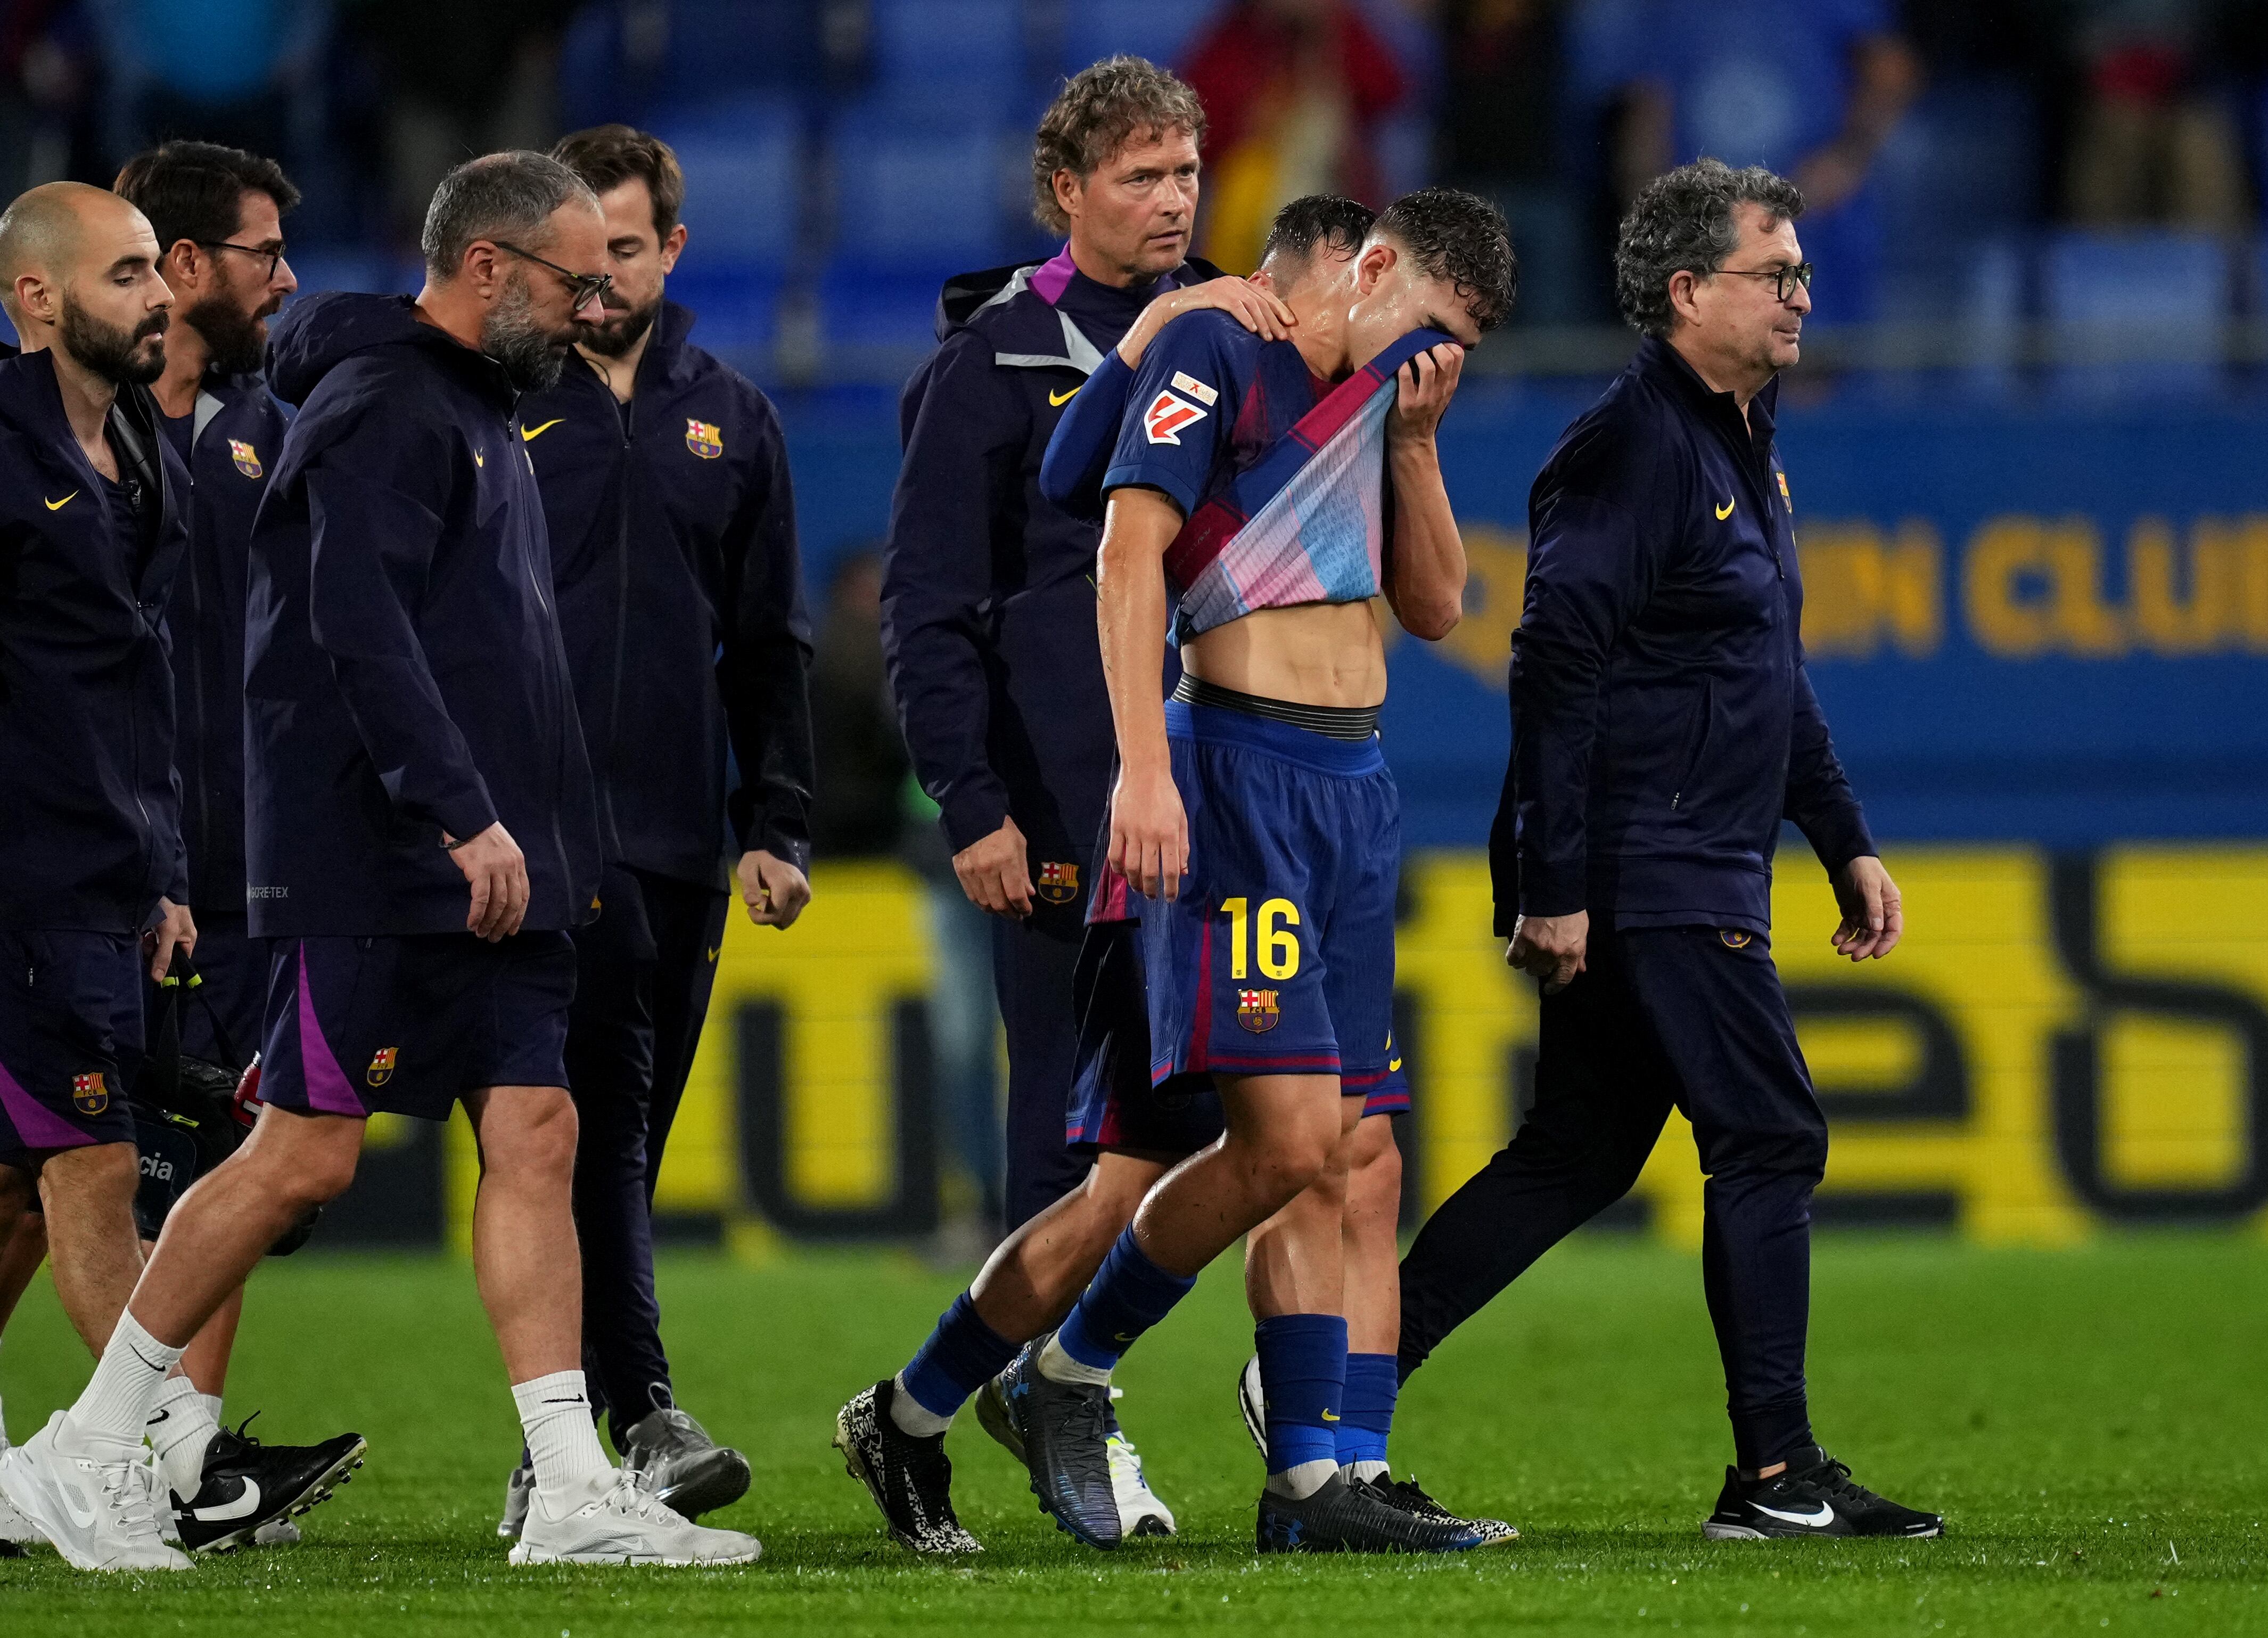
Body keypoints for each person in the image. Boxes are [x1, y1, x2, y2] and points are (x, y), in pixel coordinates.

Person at [0, 151, 760, 1573]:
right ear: (489, 271)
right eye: (573, 279)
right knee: (298, 1157)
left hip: (501, 869)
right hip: (378, 861)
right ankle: (94, 1444)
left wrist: (539, 834)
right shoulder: (380, 407)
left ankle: (570, 1479)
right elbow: (353, 630)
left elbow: (489, 652)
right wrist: (457, 810)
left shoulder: (477, 409)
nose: (597, 306)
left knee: (539, 1133)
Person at [1394, 157, 1943, 1542]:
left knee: (1578, 1151)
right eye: (1777, 272)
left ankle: (1330, 1386)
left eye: (1803, 272)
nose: (1801, 295)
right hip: (1649, 862)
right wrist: (1559, 885)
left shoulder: (1737, 442)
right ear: (1687, 290)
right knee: (1767, 1133)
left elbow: (1769, 666)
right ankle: (1771, 1476)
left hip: (1678, 855)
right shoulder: (1630, 443)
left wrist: (1843, 839)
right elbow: (1551, 660)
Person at [969, 186, 1511, 1556]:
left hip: (1353, 784)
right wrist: (1140, 769)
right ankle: (1050, 1374)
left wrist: (1424, 440)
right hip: (1240, 774)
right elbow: (1100, 525)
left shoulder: (1382, 403)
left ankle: (1331, 1476)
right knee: (1280, 1145)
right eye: (1430, 332)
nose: (1430, 361)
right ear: (1375, 265)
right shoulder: (1230, 352)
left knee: (1362, 1152)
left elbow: (1442, 608)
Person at [848, 54, 1286, 1552]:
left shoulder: (1244, 333)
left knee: (1287, 1131)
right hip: (1068, 818)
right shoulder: (991, 363)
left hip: (1237, 806)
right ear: (1064, 192)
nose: (1172, 201)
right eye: (1140, 177)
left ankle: (1300, 1444)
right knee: (1075, 1156)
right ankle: (1029, 1407)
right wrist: (974, 804)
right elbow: (930, 609)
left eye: (1184, 172)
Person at [502, 121, 815, 1538]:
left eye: (625, 246)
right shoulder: (489, 396)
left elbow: (768, 645)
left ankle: (553, 1437)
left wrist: (777, 822)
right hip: (527, 837)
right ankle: (643, 1417)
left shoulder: (730, 415)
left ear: (670, 247)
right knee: (597, 1132)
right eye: (580, 251)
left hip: (681, 836)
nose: (601, 275)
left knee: (616, 1134)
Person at [104, 136, 367, 1553]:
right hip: (91, 866)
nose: (290, 278)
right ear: (189, 264)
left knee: (218, 1166)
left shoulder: (280, 425)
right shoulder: (65, 437)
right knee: (46, 1179)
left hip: (246, 868)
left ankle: (190, 1463)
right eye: (267, 250)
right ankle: (148, 1456)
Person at [0, 180, 196, 1571]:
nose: (159, 295)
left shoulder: (138, 444)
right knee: (95, 1166)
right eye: (126, 275)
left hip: (105, 875)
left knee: (19, 1190)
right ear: (37, 297)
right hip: (22, 878)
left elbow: (141, 683)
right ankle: (125, 1462)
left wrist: (165, 867)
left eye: (154, 273)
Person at [1574, 0, 1918, 323]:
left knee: (1805, 348)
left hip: (1815, 220)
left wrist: (1845, 160)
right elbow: (1645, 120)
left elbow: (1889, 70)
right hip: (1704, 231)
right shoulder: (1668, 13)